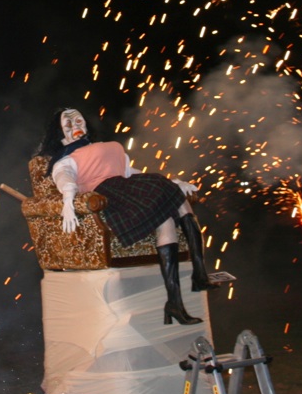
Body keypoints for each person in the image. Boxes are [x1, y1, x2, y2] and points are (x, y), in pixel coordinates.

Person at [37, 107, 215, 325]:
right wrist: (67, 200)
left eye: (78, 121)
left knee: (168, 216)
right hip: (111, 195)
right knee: (168, 193)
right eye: (68, 124)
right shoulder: (66, 160)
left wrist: (176, 182)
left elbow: (130, 172)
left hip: (128, 186)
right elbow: (65, 179)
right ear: (60, 134)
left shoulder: (107, 148)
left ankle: (178, 300)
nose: (76, 126)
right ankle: (198, 278)